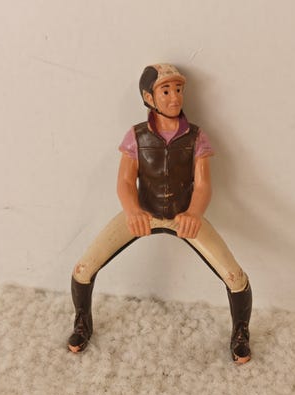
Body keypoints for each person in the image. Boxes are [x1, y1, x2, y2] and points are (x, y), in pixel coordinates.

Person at [67, 63, 252, 364]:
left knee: (235, 275)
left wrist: (194, 214)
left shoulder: (196, 137)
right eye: (166, 91)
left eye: (178, 90)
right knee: (83, 268)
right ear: (148, 97)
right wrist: (132, 212)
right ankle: (82, 322)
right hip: (144, 213)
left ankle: (241, 331)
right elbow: (125, 182)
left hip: (183, 217)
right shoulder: (136, 136)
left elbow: (203, 185)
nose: (175, 97)